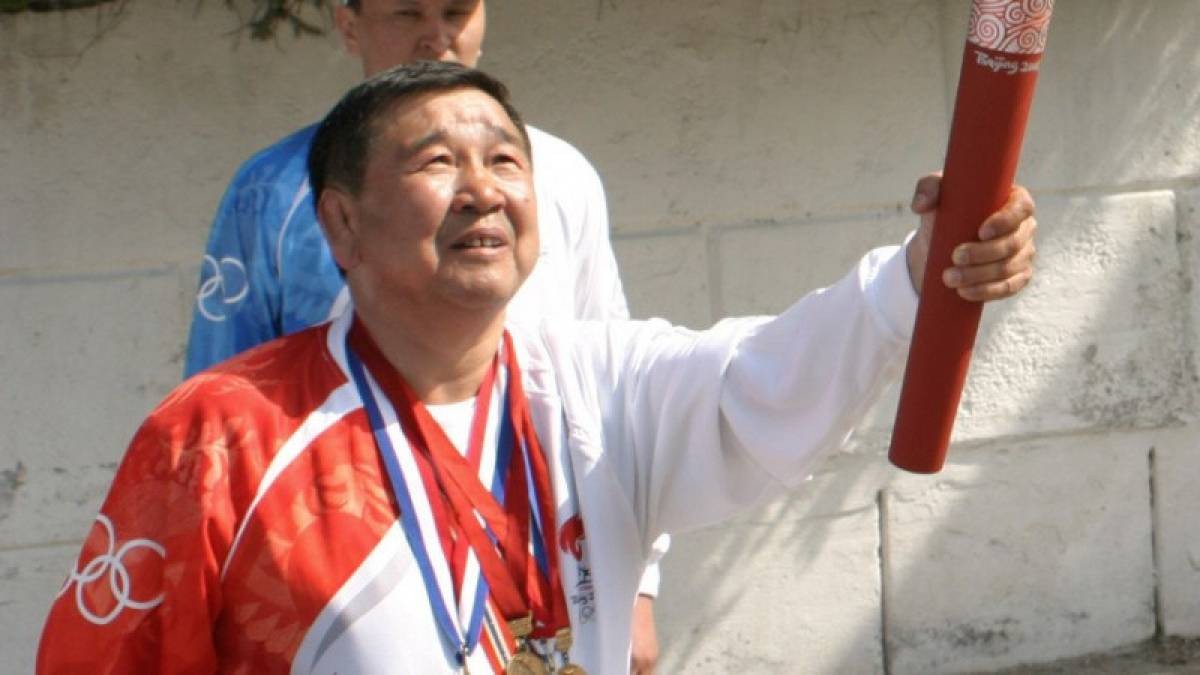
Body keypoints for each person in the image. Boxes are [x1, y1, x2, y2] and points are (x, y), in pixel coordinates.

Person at [38, 62, 1037, 674]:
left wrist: (918, 272)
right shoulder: (218, 436)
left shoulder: (598, 385)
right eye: (437, 162)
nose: (483, 190)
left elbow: (764, 377)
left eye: (506, 161)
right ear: (341, 222)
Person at [184, 1, 666, 669]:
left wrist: (639, 583)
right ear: (347, 23)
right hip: (350, 567)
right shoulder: (271, 192)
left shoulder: (562, 177)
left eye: (456, 12)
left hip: (542, 557)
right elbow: (217, 421)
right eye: (406, 12)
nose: (436, 36)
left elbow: (613, 391)